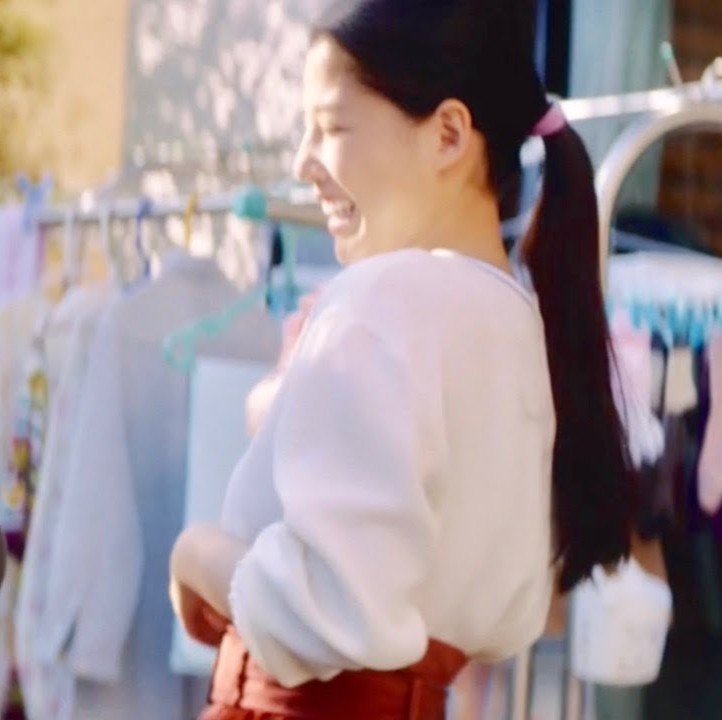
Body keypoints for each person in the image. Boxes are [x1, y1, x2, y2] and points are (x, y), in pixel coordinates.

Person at [169, 1, 635, 718]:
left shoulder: (384, 299)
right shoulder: (518, 323)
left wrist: (198, 555)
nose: (302, 163)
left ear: (448, 134)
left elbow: (326, 607)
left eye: (331, 128)